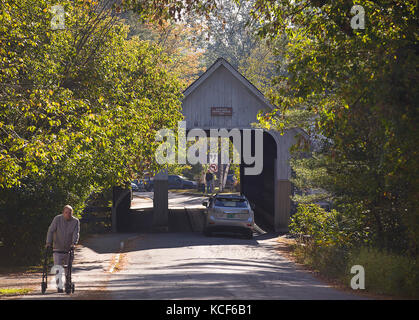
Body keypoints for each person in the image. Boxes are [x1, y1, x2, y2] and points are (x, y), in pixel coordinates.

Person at [45, 205, 80, 293]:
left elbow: (76, 233)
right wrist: (48, 242)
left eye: (70, 213)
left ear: (72, 213)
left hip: (69, 249)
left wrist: (74, 243)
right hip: (57, 248)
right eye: (66, 212)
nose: (68, 214)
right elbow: (51, 230)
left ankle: (68, 283)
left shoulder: (75, 221)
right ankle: (59, 286)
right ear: (63, 213)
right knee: (58, 268)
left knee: (68, 269)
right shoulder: (57, 219)